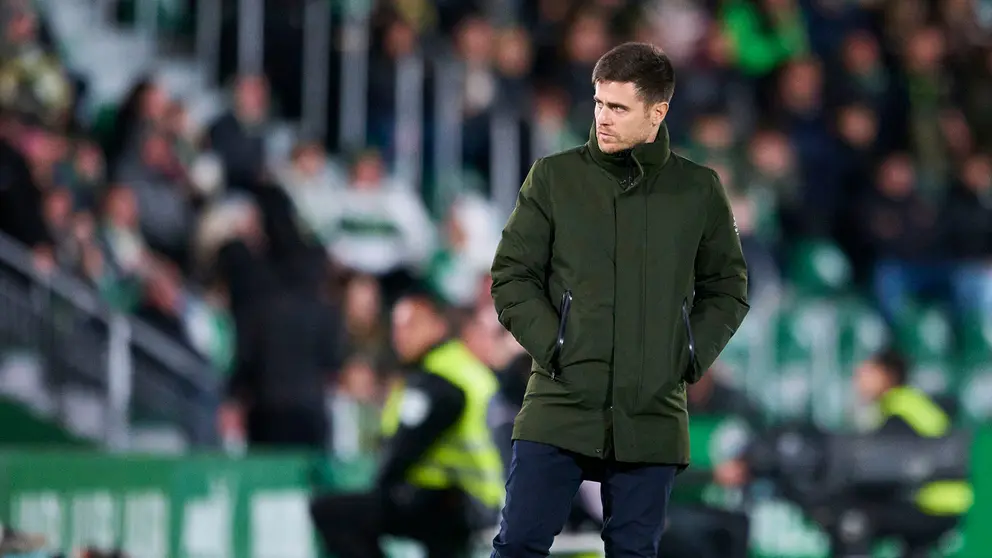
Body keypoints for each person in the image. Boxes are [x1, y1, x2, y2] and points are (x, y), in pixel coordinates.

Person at [489, 42, 750, 557]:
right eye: (598, 103)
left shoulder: (699, 190)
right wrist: (558, 345)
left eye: (618, 107)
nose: (603, 119)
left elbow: (728, 287)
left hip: (651, 412)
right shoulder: (553, 177)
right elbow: (511, 276)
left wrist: (686, 354)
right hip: (559, 402)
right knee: (518, 546)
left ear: (658, 112)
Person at [310, 292, 505, 558]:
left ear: (437, 326)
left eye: (410, 325)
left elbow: (405, 448)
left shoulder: (438, 379)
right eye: (396, 327)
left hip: (460, 501)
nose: (399, 335)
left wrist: (381, 489)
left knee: (332, 512)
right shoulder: (459, 367)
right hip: (473, 498)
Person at [849, 348, 973, 556]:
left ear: (886, 375)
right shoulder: (910, 403)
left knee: (853, 519)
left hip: (933, 506)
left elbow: (884, 472)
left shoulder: (899, 411)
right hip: (945, 503)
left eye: (867, 372)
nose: (858, 380)